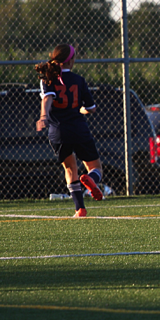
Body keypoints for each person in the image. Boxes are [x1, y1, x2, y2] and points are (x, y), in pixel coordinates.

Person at [35, 44, 104, 217]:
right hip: (78, 129)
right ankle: (91, 179)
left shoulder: (48, 79)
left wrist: (43, 116)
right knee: (95, 167)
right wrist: (81, 109)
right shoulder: (79, 80)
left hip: (58, 131)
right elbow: (91, 108)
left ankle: (80, 208)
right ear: (71, 60)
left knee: (70, 168)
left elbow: (47, 99)